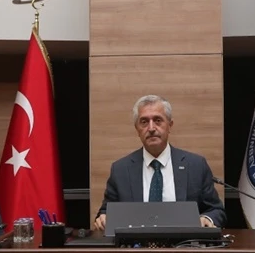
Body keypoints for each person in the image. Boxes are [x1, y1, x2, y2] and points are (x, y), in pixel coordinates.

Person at [94, 95, 227, 230]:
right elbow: (106, 212)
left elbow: (216, 210)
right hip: (137, 242)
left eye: (158, 120)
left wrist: (207, 218)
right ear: (137, 129)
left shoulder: (195, 165)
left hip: (184, 242)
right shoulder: (121, 170)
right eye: (144, 122)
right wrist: (103, 218)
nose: (151, 128)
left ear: (170, 125)